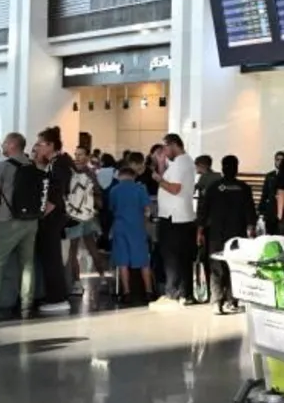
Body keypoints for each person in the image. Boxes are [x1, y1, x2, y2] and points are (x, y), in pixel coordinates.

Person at [0, 133, 48, 321]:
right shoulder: (35, 166)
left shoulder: (3, 167)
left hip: (8, 221)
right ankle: (26, 306)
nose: (2, 146)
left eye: (4, 143)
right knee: (27, 264)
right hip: (31, 221)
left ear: (11, 145)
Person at [198, 155, 256, 314]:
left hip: (216, 232)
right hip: (237, 233)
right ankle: (232, 300)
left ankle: (217, 302)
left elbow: (203, 211)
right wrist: (251, 229)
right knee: (235, 266)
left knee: (216, 266)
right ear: (236, 168)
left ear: (222, 168)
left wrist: (200, 231)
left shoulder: (213, 187)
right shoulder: (243, 187)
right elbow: (250, 211)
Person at [153, 133, 197, 309]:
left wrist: (158, 179)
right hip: (181, 217)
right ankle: (185, 293)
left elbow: (174, 188)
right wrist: (162, 167)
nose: (164, 151)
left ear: (173, 145)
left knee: (172, 258)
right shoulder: (184, 162)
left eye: (165, 147)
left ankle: (173, 293)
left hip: (174, 218)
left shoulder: (180, 163)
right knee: (182, 257)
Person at [33, 128, 74, 313]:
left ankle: (57, 298)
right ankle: (56, 296)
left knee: (52, 258)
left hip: (53, 218)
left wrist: (42, 214)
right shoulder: (60, 162)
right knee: (52, 257)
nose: (38, 148)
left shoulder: (59, 164)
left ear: (50, 145)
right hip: (57, 217)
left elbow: (55, 195)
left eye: (40, 144)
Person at [108, 162, 154, 304]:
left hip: (120, 227)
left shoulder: (114, 190)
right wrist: (145, 220)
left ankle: (126, 292)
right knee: (143, 262)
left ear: (120, 176)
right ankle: (148, 292)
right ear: (133, 176)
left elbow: (111, 208)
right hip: (137, 228)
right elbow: (147, 210)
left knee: (122, 261)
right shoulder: (140, 189)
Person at [63, 145, 102, 288]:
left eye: (80, 154)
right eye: (76, 154)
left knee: (75, 250)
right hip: (84, 214)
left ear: (87, 157)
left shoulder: (78, 173)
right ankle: (101, 276)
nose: (77, 157)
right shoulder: (89, 173)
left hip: (76, 215)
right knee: (88, 247)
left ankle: (77, 282)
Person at [259, 151, 284, 234]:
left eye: (282, 160)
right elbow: (265, 194)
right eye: (277, 159)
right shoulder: (270, 176)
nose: (279, 162)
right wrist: (261, 212)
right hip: (271, 212)